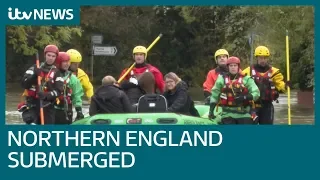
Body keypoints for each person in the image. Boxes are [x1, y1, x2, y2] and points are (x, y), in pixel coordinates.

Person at [242, 46, 289, 124]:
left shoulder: (274, 72)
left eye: (265, 58)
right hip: (252, 105)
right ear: (257, 58)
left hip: (267, 105)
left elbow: (280, 85)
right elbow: (240, 82)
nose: (263, 60)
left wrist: (286, 86)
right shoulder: (248, 71)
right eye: (260, 58)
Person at [18, 45, 64, 125]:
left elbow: (59, 91)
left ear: (56, 57)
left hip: (47, 106)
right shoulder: (35, 68)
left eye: (53, 56)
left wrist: (46, 95)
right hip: (32, 105)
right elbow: (23, 84)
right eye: (49, 55)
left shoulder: (57, 72)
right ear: (45, 55)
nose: (50, 58)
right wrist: (34, 76)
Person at [208, 56, 260, 125]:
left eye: (235, 65)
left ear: (238, 67)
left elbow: (256, 92)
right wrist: (211, 111)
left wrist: (245, 97)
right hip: (227, 113)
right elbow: (214, 95)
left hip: (244, 113)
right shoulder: (221, 79)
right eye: (231, 66)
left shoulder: (246, 79)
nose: (233, 67)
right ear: (228, 67)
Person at [54, 52, 84, 124]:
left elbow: (77, 95)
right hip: (50, 110)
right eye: (64, 62)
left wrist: (79, 110)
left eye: (68, 62)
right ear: (58, 62)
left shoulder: (73, 79)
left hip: (65, 111)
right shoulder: (51, 75)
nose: (67, 64)